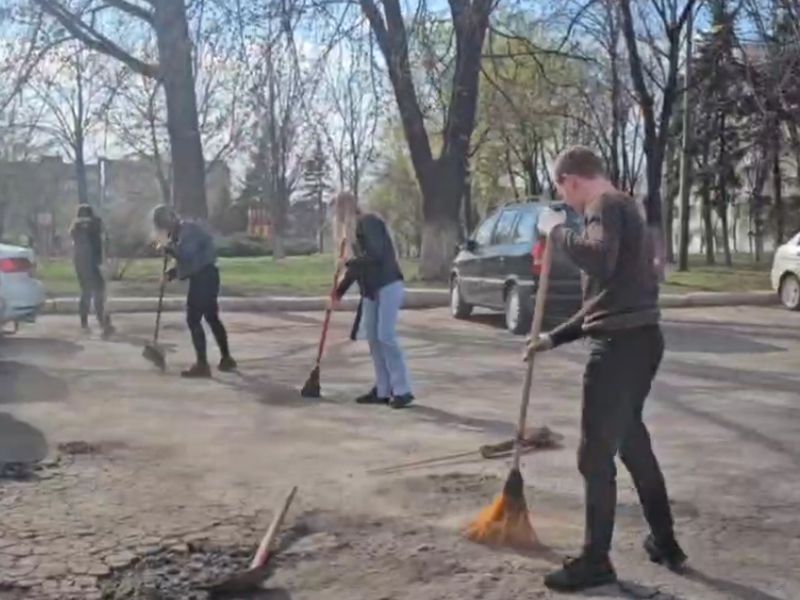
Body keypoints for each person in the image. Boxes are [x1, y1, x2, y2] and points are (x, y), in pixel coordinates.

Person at [528, 146, 686, 592]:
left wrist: (557, 231)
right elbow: (606, 304)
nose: (569, 203)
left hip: (618, 351)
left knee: (593, 457)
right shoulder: (625, 208)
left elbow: (597, 258)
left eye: (564, 192)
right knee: (632, 444)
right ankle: (666, 542)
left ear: (570, 181)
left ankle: (595, 562)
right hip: (639, 341)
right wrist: (552, 338)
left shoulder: (602, 206)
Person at [330, 192, 414, 408]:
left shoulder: (369, 222)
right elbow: (356, 270)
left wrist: (348, 263)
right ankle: (383, 389)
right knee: (374, 340)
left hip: (387, 284)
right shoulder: (352, 235)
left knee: (385, 336)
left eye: (338, 210)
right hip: (371, 291)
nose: (336, 216)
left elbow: (375, 254)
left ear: (347, 208)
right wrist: (337, 294)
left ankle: (402, 389)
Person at [152, 205, 236, 378]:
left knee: (193, 319)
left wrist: (168, 249)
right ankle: (226, 359)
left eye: (164, 226)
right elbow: (188, 262)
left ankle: (202, 365)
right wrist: (170, 274)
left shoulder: (188, 230)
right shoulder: (180, 234)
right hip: (206, 277)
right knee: (212, 318)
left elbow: (187, 255)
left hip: (204, 278)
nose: (164, 230)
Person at [70, 204, 113, 337]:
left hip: (80, 263)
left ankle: (85, 322)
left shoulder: (75, 227)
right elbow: (100, 232)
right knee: (99, 291)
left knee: (86, 291)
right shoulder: (94, 223)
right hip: (92, 263)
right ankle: (102, 321)